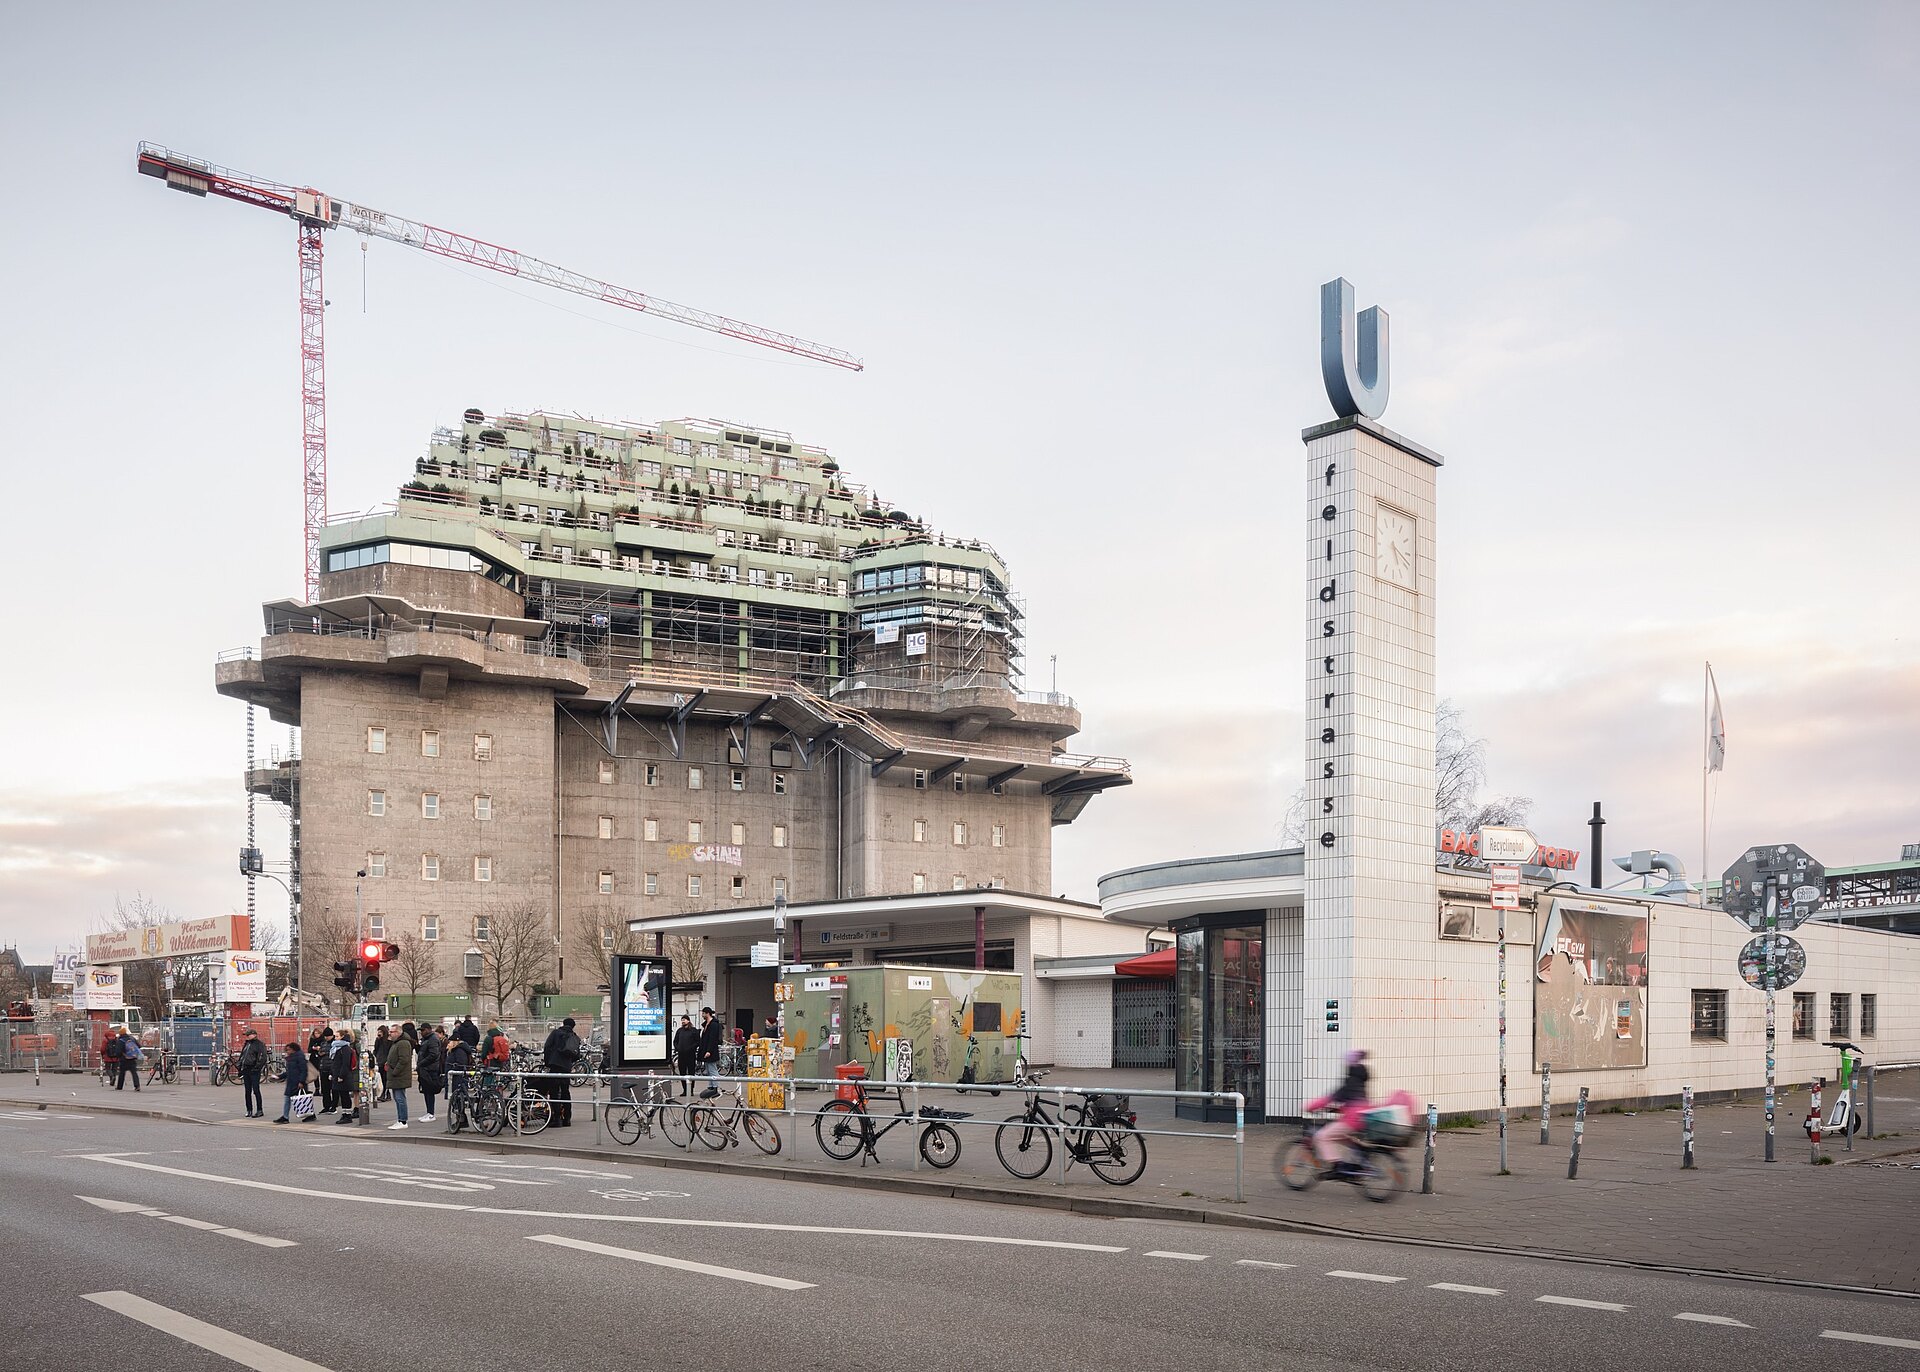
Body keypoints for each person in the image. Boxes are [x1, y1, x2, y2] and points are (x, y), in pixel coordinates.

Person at [1305, 1048, 1372, 1171]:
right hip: (1362, 1116)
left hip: (1352, 1119)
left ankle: (1338, 1165)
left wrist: (1310, 1107)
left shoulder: (1350, 1082)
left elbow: (1331, 1098)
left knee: (1322, 1136)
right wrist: (1337, 1108)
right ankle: (1361, 1151)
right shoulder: (1360, 1083)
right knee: (1340, 1136)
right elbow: (1350, 1101)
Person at [541, 1017, 582, 1126]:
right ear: (573, 1026)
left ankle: (557, 1118)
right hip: (566, 1067)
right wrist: (569, 1061)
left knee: (554, 1092)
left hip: (555, 1065)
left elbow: (547, 1047)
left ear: (563, 1024)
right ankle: (567, 1118)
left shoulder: (556, 1033)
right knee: (565, 1092)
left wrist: (547, 1062)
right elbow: (577, 1055)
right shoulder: (574, 1037)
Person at [384, 1021, 415, 1130]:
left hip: (399, 1075)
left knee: (400, 1098)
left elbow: (404, 1059)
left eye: (392, 1032)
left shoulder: (403, 1043)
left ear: (398, 1032)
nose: (390, 1034)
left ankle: (403, 1120)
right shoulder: (396, 1043)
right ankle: (400, 1119)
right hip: (395, 1075)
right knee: (398, 1098)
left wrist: (395, 1071)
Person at [273, 1040, 308, 1123]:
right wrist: (280, 1076)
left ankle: (286, 1117)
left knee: (302, 1099)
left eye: (288, 1050)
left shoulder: (299, 1057)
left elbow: (304, 1070)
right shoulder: (292, 1058)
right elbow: (290, 1071)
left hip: (297, 1082)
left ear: (293, 1050)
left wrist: (301, 1081)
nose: (287, 1052)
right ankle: (285, 1116)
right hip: (292, 1082)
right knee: (292, 1099)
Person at [417, 1025, 446, 1124]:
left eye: (423, 1030)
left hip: (430, 1069)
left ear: (428, 1030)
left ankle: (431, 1113)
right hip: (426, 1068)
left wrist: (421, 1063)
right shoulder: (426, 1039)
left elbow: (433, 1054)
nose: (421, 1032)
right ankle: (429, 1112)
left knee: (429, 1091)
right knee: (426, 1091)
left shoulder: (432, 1039)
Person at [238, 1028, 268, 1118]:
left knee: (256, 1090)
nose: (246, 1037)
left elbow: (262, 1057)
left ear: (254, 1035)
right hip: (246, 1069)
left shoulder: (259, 1044)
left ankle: (259, 1110)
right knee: (247, 1091)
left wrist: (257, 1068)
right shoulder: (247, 1044)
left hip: (254, 1070)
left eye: (248, 1035)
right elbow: (242, 1056)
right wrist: (240, 1068)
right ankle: (249, 1109)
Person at [331, 1030, 359, 1124]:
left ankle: (347, 1115)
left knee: (345, 1095)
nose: (335, 1038)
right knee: (342, 1095)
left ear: (342, 1037)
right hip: (338, 1075)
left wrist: (341, 1075)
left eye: (337, 1036)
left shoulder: (345, 1048)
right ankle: (344, 1114)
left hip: (344, 1076)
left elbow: (345, 1063)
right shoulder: (337, 1048)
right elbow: (335, 1063)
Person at [697, 1006, 724, 1097]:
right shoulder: (707, 1024)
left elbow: (713, 1039)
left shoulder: (713, 1024)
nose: (702, 1015)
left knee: (712, 1068)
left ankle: (715, 1087)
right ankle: (711, 1086)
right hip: (706, 1049)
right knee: (708, 1069)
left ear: (707, 1013)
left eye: (703, 1013)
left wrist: (709, 1051)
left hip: (710, 1050)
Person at [672, 1014, 699, 1085]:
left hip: (691, 1054)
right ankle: (684, 1089)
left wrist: (691, 1048)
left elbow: (697, 1042)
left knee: (691, 1072)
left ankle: (691, 1089)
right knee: (682, 1072)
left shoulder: (694, 1030)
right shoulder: (679, 1031)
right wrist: (677, 1048)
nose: (683, 1021)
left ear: (688, 1020)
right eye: (682, 1020)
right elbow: (675, 1041)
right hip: (681, 1054)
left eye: (684, 1019)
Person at [372, 1025, 392, 1101]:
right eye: (378, 1031)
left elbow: (390, 1050)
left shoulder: (389, 1040)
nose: (379, 1033)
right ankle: (387, 1094)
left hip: (386, 1061)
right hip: (380, 1060)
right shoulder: (378, 1040)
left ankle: (384, 1093)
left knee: (385, 1078)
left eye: (380, 1031)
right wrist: (377, 1055)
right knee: (382, 1078)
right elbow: (376, 1049)